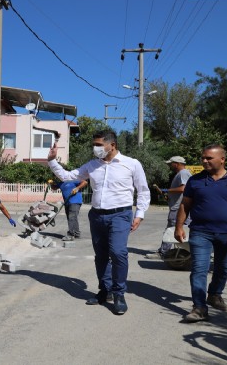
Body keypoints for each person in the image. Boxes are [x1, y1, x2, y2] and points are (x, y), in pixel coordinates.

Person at [48, 130, 150, 315]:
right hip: (97, 216)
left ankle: (119, 294)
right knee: (101, 255)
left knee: (118, 253)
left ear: (112, 145)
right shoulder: (92, 165)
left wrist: (139, 214)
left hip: (121, 215)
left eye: (99, 145)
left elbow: (143, 191)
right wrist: (52, 161)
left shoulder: (131, 164)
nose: (95, 149)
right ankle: (105, 290)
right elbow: (68, 176)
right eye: (94, 145)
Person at [174, 144, 227, 322]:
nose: (204, 161)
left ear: (222, 159)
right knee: (199, 269)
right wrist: (178, 226)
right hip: (200, 232)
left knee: (222, 268)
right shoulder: (195, 180)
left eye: (209, 158)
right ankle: (199, 307)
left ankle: (214, 294)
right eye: (203, 158)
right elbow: (185, 205)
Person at [146, 156, 192, 259]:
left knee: (171, 230)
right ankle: (181, 253)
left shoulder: (183, 173)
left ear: (176, 163)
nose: (170, 166)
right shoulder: (182, 174)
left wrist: (167, 190)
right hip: (178, 208)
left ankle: (164, 252)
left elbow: (184, 188)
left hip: (178, 209)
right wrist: (169, 196)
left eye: (170, 164)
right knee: (176, 230)